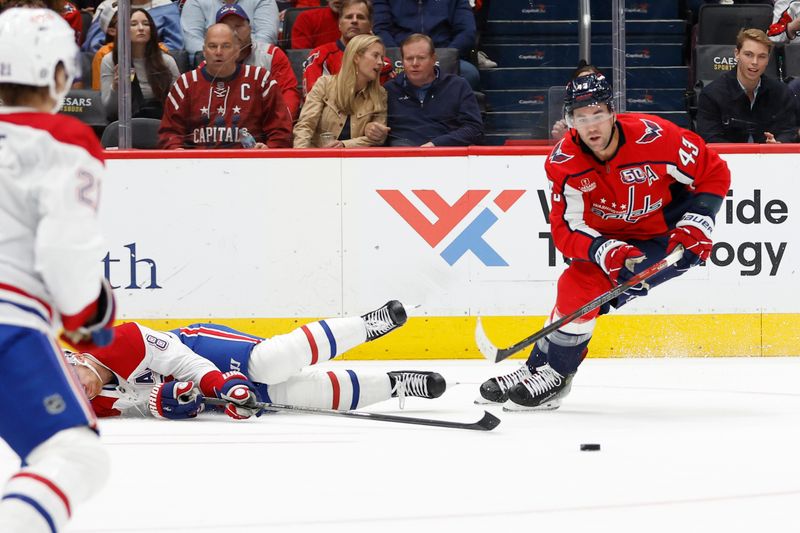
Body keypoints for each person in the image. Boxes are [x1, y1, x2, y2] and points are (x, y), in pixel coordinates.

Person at [478, 71, 731, 411]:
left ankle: (554, 374)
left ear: (612, 112)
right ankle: (537, 369)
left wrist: (699, 220)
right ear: (570, 121)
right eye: (581, 118)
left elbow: (713, 170)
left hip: (664, 239)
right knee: (578, 286)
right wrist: (603, 249)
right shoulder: (562, 163)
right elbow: (566, 229)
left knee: (582, 288)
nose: (591, 126)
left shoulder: (656, 137)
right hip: (610, 240)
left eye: (597, 114)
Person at [0, 8, 116, 532]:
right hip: (8, 320)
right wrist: (90, 308)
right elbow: (65, 253)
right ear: (56, 74)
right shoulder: (61, 139)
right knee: (74, 455)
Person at [66, 301, 447, 419]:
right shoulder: (90, 404)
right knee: (300, 397)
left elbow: (190, 368)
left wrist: (225, 385)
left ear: (72, 358)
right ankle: (395, 384)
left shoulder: (119, 339)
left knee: (269, 364)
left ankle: (365, 326)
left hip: (203, 351)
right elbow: (140, 405)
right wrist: (165, 405)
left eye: (72, 379)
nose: (81, 392)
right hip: (206, 390)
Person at [158, 23, 293, 149]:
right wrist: (176, 151)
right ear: (204, 51)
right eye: (212, 46)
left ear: (237, 51)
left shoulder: (260, 79)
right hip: (197, 166)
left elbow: (281, 130)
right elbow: (169, 133)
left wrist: (270, 151)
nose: (218, 52)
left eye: (226, 46)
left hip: (250, 165)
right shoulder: (185, 84)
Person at [369, 33, 482, 146]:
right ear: (402, 61)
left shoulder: (458, 85)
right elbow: (378, 127)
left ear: (433, 59)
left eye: (421, 58)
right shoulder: (389, 90)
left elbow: (474, 129)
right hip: (402, 156)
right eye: (409, 58)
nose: (415, 64)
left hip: (446, 155)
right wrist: (371, 128)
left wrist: (436, 144)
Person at [696, 28, 798, 143]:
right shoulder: (711, 94)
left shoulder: (781, 92)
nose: (755, 62)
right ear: (737, 54)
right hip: (727, 159)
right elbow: (710, 138)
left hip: (771, 159)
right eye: (749, 55)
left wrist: (779, 143)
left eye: (762, 56)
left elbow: (789, 130)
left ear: (768, 59)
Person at [294, 33, 387, 147]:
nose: (380, 62)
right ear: (356, 57)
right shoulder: (324, 84)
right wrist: (303, 158)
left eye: (382, 58)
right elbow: (305, 126)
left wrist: (344, 146)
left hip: (356, 161)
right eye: (375, 55)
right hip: (319, 158)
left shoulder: (380, 94)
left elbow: (377, 139)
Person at [216, 3, 301, 120]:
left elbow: (289, 94)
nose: (234, 33)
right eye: (227, 28)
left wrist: (281, 127)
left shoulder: (271, 55)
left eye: (238, 26)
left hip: (266, 126)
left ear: (250, 28)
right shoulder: (211, 62)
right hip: (225, 128)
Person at [372, 0, 480, 90]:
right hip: (400, 57)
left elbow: (467, 32)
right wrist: (402, 58)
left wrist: (446, 57)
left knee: (469, 73)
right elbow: (381, 30)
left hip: (442, 53)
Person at [100, 8, 180, 120]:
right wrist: (116, 86)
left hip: (161, 122)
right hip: (125, 124)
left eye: (146, 24)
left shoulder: (166, 61)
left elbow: (179, 103)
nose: (141, 28)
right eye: (133, 24)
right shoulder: (110, 61)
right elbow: (110, 111)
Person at [302, 0, 394, 97]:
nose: (354, 21)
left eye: (360, 17)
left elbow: (387, 101)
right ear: (339, 24)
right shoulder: (320, 56)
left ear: (370, 25)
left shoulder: (382, 63)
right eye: (349, 17)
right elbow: (313, 99)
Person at [181, 0, 279, 56]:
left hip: (253, 57)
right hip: (211, 61)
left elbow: (267, 36)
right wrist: (218, 54)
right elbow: (191, 40)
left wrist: (243, 53)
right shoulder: (195, 1)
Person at [82, 0, 183, 53]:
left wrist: (143, 53)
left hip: (155, 63)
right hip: (113, 62)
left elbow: (175, 47)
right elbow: (93, 46)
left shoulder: (166, 7)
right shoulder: (109, 7)